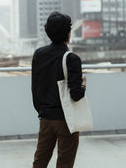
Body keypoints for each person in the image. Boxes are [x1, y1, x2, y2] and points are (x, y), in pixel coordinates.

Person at [31, 12, 86, 168]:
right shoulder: (72, 59)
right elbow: (76, 95)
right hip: (66, 120)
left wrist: (42, 111)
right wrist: (83, 84)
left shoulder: (39, 55)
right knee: (64, 163)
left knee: (40, 161)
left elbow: (35, 88)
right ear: (68, 34)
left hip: (46, 118)